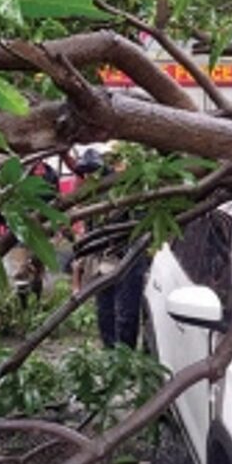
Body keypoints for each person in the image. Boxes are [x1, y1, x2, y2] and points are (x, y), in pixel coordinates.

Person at [70, 147, 147, 349]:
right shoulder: (90, 196)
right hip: (102, 260)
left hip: (127, 257)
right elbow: (90, 230)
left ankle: (125, 357)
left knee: (126, 313)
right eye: (84, 173)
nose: (87, 177)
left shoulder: (123, 190)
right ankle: (110, 354)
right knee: (105, 311)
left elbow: (138, 225)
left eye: (91, 172)